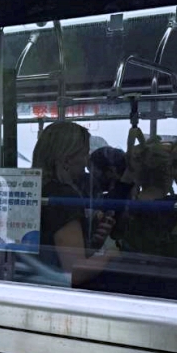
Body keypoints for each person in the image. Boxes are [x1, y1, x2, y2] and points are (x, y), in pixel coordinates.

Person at [32, 121, 117, 287]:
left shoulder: (38, 189)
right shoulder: (63, 196)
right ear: (67, 159)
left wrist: (90, 243)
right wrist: (111, 254)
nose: (86, 162)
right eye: (84, 154)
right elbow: (75, 271)